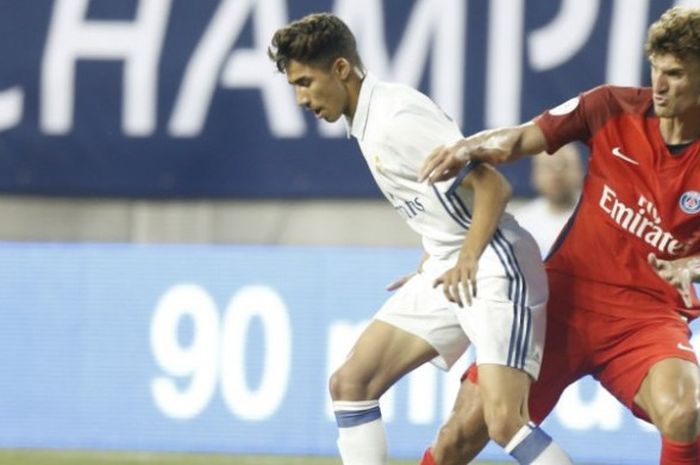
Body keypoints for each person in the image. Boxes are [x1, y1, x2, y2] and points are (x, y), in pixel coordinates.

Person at [268, 13, 573, 465]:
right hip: (450, 267)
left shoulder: (396, 119)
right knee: (352, 382)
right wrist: (433, 257)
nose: (300, 99)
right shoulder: (367, 121)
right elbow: (441, 205)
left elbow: (492, 187)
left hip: (494, 265)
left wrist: (466, 257)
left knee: (505, 421)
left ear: (340, 69)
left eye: (305, 82)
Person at [417, 6, 700, 465]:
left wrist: (691, 266)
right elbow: (518, 139)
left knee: (686, 413)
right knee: (457, 438)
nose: (660, 86)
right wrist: (467, 146)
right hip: (559, 303)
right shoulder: (611, 106)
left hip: (645, 319)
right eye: (655, 70)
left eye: (675, 74)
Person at [514, 145, 583, 256]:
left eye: (565, 165)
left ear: (580, 171)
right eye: (548, 167)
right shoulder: (520, 224)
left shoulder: (601, 217)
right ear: (534, 175)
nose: (557, 175)